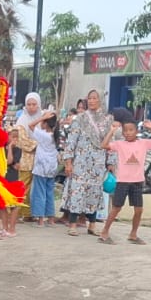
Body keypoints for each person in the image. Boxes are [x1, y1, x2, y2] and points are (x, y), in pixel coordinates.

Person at [61, 89, 113, 236]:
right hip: (80, 162)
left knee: (94, 193)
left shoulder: (106, 120)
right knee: (77, 191)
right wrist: (68, 162)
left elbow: (111, 142)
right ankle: (72, 225)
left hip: (98, 163)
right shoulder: (79, 119)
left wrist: (111, 162)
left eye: (94, 98)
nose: (91, 101)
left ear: (100, 100)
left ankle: (92, 225)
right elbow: (71, 141)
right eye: (89, 98)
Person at [96, 114, 151, 245]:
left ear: (136, 131)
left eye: (131, 130)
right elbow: (104, 145)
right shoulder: (120, 144)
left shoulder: (143, 143)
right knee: (116, 208)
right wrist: (112, 131)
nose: (128, 133)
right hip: (123, 181)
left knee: (139, 210)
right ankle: (104, 232)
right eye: (125, 130)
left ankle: (133, 234)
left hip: (137, 181)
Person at [17, 92, 59, 225]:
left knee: (38, 190)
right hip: (27, 158)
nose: (31, 107)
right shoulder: (22, 120)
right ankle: (22, 212)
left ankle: (35, 215)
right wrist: (35, 145)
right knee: (25, 185)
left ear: (39, 104)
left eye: (34, 104)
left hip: (40, 163)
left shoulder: (42, 126)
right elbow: (21, 139)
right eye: (28, 104)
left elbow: (33, 129)